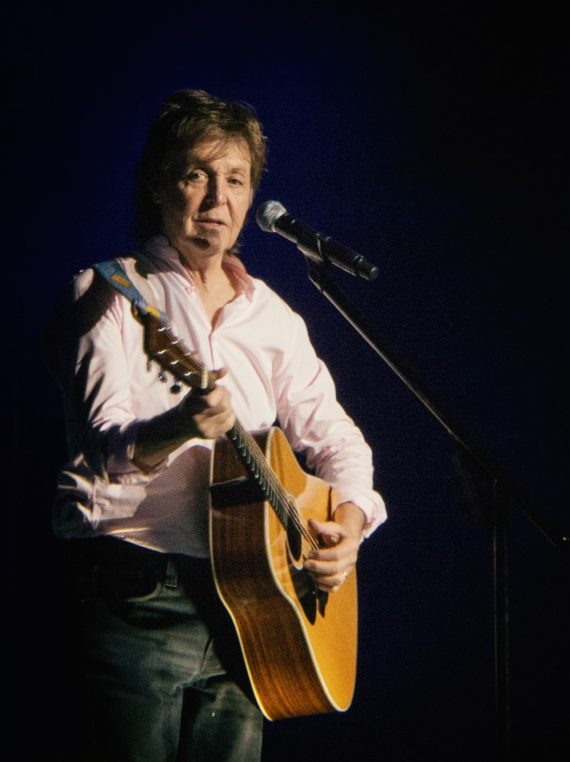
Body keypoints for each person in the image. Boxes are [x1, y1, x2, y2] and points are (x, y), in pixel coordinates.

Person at [47, 89, 386, 760]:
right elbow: (104, 443)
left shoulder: (274, 317)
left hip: (253, 598)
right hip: (137, 591)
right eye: (196, 174)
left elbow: (340, 440)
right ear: (158, 184)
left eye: (235, 179)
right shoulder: (109, 294)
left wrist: (347, 525)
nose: (216, 198)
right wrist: (180, 424)